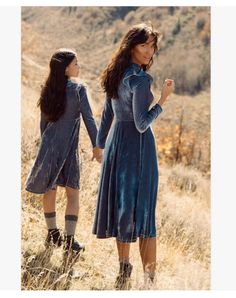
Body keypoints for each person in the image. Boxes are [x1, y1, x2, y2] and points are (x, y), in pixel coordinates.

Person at [92, 24, 174, 289]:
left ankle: (124, 269)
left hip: (117, 144)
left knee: (122, 206)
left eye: (152, 46)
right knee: (144, 210)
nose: (149, 51)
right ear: (131, 46)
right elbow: (142, 123)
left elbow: (107, 114)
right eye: (144, 46)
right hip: (138, 148)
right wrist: (162, 100)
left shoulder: (115, 75)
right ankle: (149, 281)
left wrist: (99, 144)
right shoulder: (140, 80)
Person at [25, 48, 102, 256]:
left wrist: (46, 145)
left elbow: (43, 124)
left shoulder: (47, 88)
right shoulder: (79, 90)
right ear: (66, 68)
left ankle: (52, 233)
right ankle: (69, 240)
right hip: (68, 148)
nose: (79, 67)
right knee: (72, 193)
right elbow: (89, 119)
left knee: (50, 190)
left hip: (49, 146)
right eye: (76, 63)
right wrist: (97, 146)